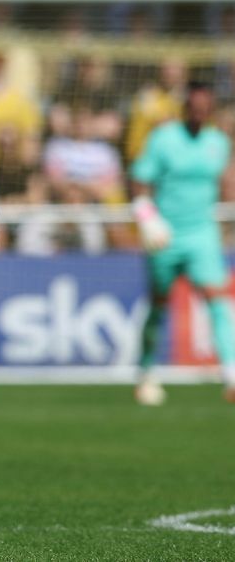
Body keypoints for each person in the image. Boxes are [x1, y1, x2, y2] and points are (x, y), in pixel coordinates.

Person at [130, 82, 235, 405]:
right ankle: (146, 371)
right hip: (166, 233)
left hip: (202, 232)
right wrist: (148, 218)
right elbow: (139, 181)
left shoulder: (218, 142)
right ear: (186, 107)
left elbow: (225, 183)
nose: (199, 113)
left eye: (206, 108)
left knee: (217, 298)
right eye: (195, 107)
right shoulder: (164, 139)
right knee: (159, 304)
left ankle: (231, 374)